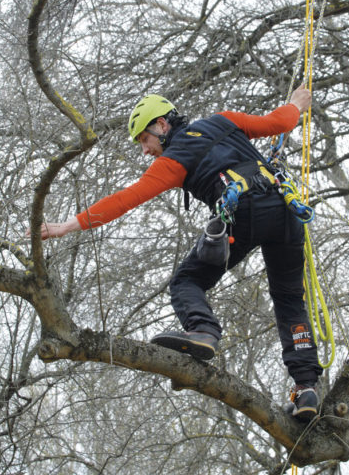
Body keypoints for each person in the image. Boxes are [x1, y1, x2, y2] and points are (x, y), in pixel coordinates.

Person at [31, 87, 322, 421]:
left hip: (245, 213)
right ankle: (306, 388)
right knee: (289, 299)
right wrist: (296, 104)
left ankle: (203, 331)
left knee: (185, 282)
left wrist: (66, 226)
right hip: (286, 211)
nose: (144, 151)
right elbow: (278, 121)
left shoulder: (172, 161)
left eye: (144, 140)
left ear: (161, 125)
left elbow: (126, 199)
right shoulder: (223, 121)